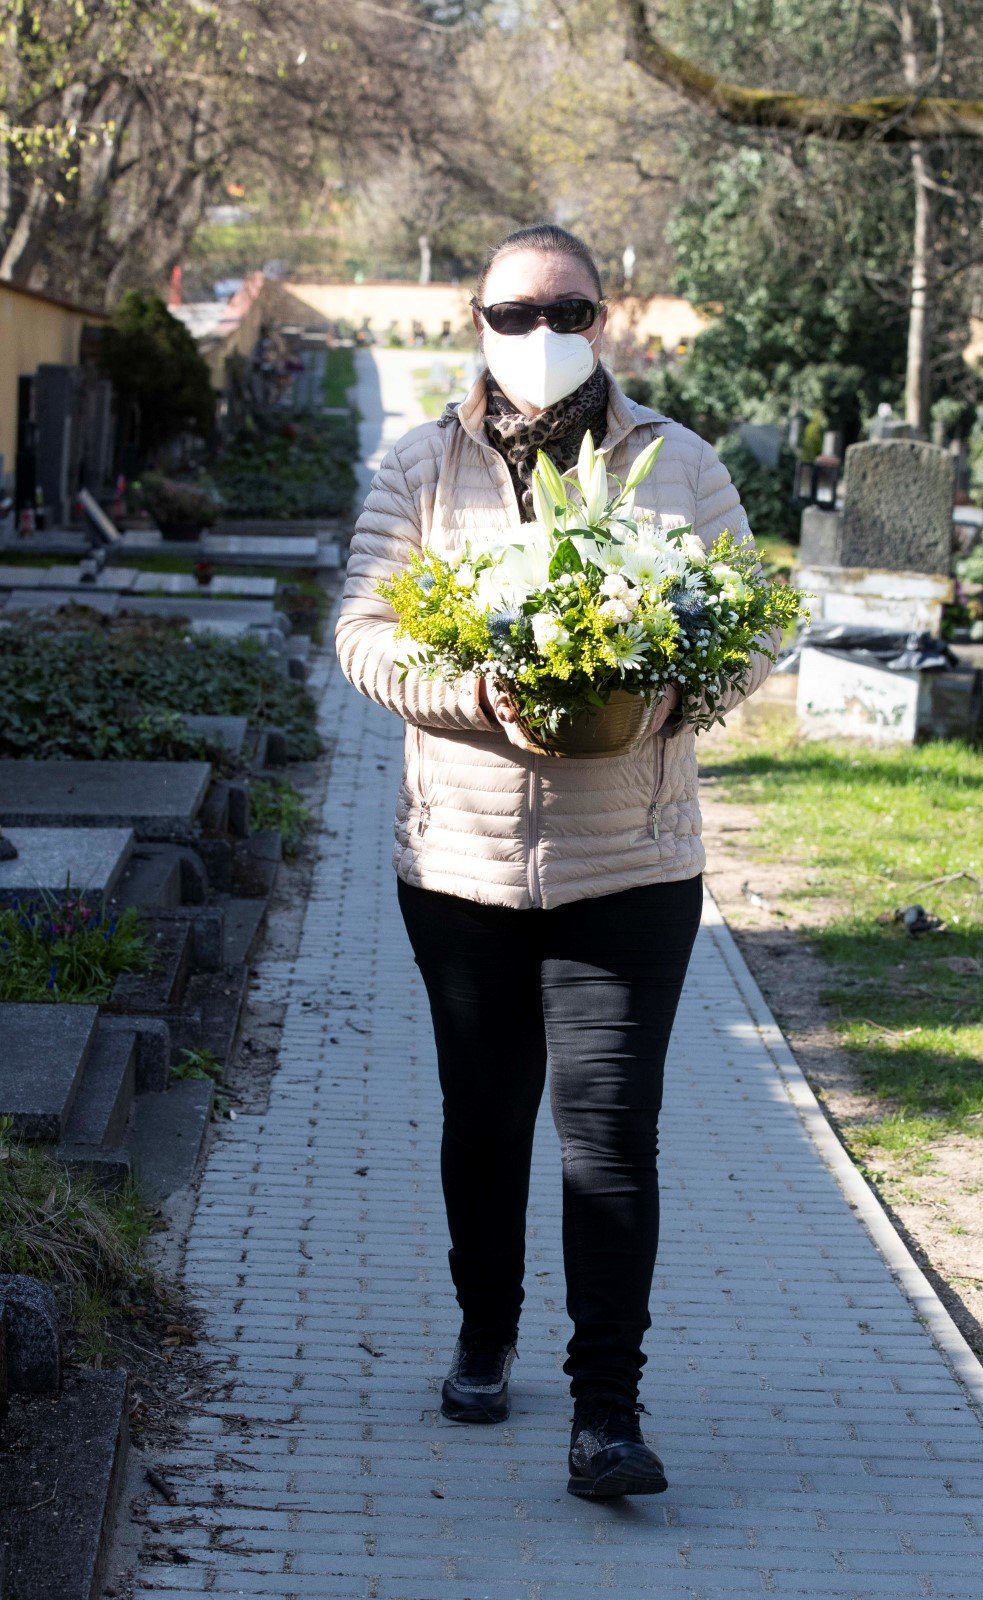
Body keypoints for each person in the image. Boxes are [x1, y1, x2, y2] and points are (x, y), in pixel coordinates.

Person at [335, 224, 780, 1499]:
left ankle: (606, 1412)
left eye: (567, 310)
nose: (541, 336)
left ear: (607, 317)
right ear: (474, 317)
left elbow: (747, 622)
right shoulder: (420, 464)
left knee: (608, 1137)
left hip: (629, 867)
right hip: (461, 869)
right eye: (515, 312)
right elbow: (363, 630)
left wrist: (667, 705)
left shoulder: (676, 463)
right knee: (483, 1121)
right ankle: (485, 1327)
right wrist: (469, 688)